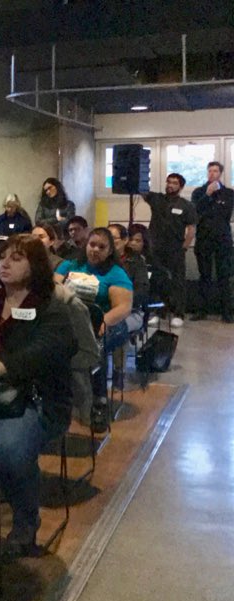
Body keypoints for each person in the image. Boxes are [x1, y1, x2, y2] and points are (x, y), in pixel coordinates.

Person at [0, 235, 75, 553]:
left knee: (6, 448)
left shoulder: (50, 307)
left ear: (34, 266)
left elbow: (55, 347)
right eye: (2, 257)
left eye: (16, 258)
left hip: (40, 399)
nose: (5, 263)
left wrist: (4, 367)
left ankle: (25, 520)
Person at [57, 227, 135, 429]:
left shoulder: (116, 274)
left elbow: (123, 307)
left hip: (109, 324)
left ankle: (98, 401)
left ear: (110, 251)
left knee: (94, 348)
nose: (95, 250)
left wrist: (103, 322)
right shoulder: (70, 265)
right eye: (92, 245)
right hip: (71, 323)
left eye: (102, 247)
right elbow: (52, 288)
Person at [139, 172, 198, 323]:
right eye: (168, 182)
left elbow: (191, 229)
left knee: (177, 282)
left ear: (181, 186)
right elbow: (142, 190)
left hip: (176, 250)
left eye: (174, 183)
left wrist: (184, 247)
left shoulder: (186, 205)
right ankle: (159, 312)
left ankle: (178, 314)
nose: (170, 185)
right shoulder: (157, 199)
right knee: (157, 280)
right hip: (156, 249)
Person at [195, 161, 234, 322]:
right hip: (204, 239)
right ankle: (202, 311)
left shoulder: (229, 193)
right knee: (204, 276)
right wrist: (207, 195)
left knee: (223, 276)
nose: (212, 173)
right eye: (210, 171)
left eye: (215, 171)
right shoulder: (199, 192)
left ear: (220, 173)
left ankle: (226, 313)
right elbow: (195, 212)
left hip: (222, 240)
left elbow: (226, 213)